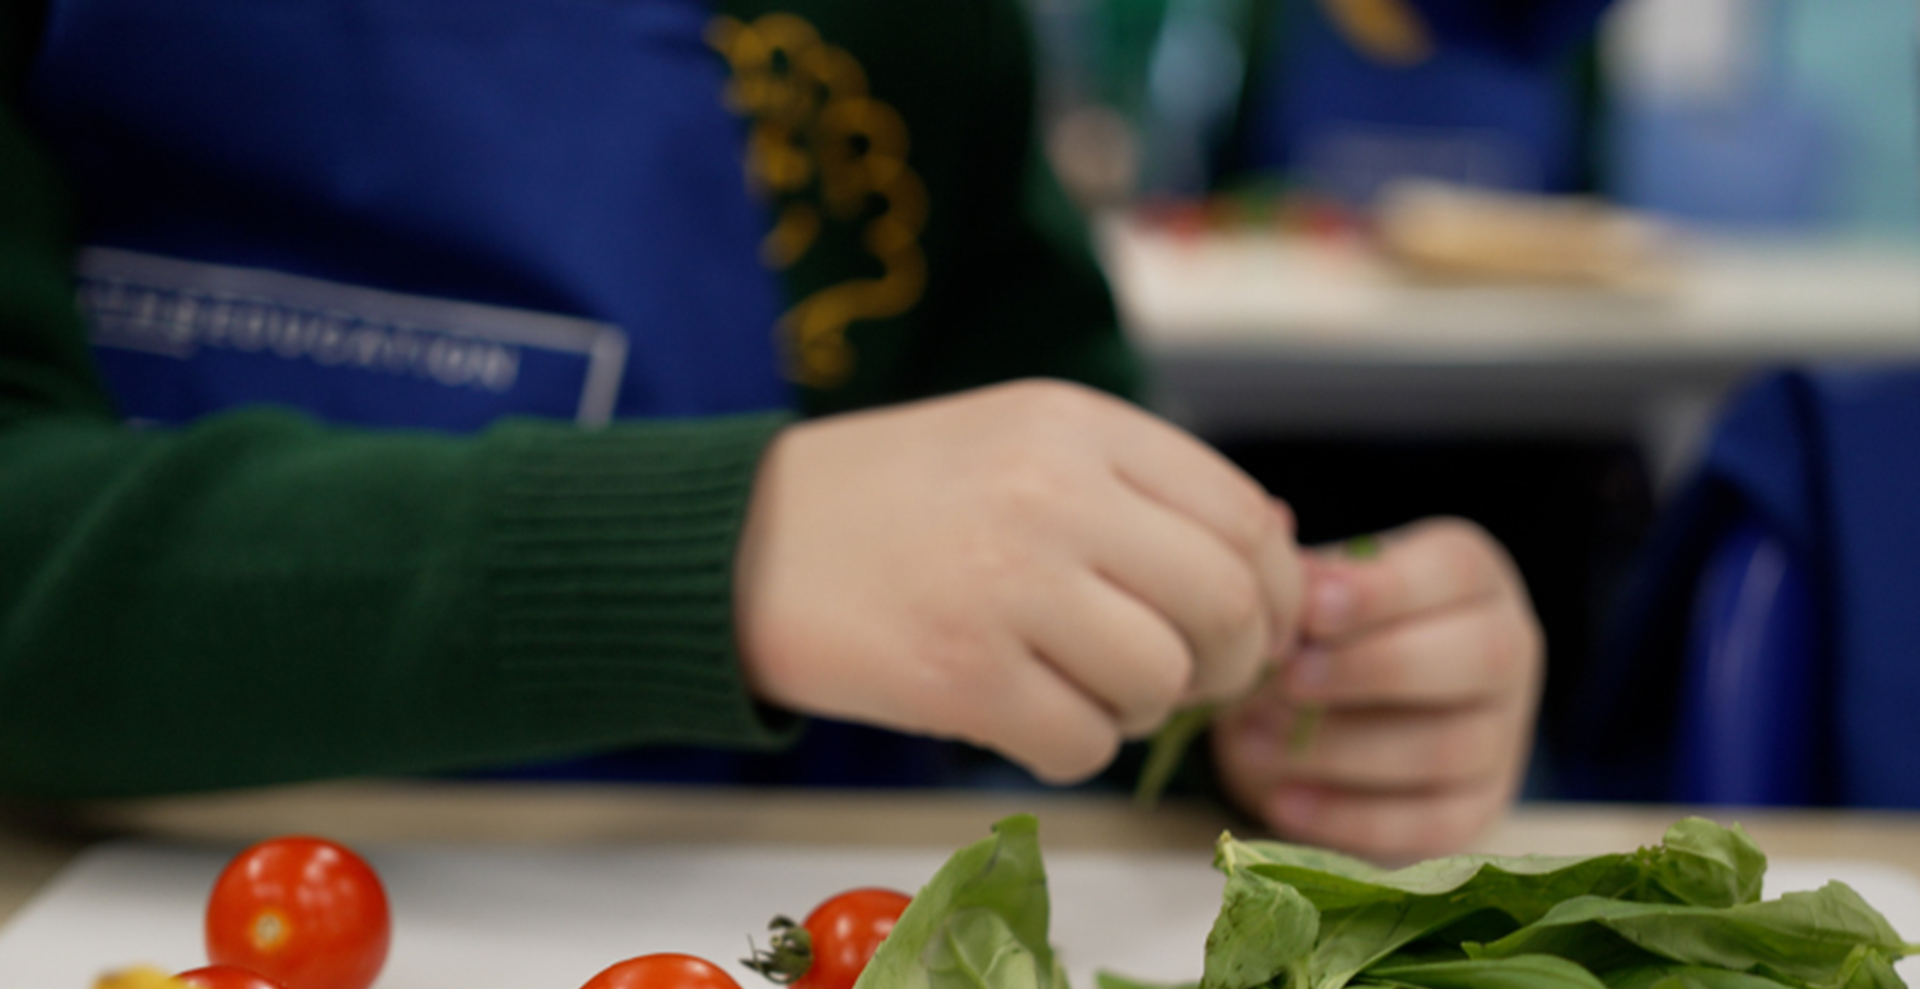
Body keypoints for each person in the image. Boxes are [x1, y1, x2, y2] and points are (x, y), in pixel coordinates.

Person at [0, 0, 1540, 860]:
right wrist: (727, 550)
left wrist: (1264, 680)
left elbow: (1050, 435)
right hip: (124, 912)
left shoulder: (924, 39)